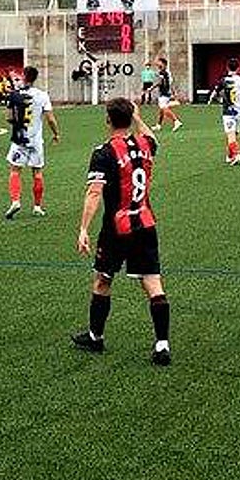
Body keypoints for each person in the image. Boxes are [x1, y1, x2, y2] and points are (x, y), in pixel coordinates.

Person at [71, 97, 171, 365]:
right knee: (153, 284)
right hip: (146, 224)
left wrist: (83, 228)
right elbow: (151, 136)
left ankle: (96, 336)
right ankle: (162, 344)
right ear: (131, 118)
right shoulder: (146, 144)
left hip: (117, 229)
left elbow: (94, 193)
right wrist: (138, 118)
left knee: (102, 280)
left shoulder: (104, 152)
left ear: (107, 120)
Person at [4, 66, 60, 219]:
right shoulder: (42, 95)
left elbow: (8, 117)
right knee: (37, 172)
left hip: (19, 138)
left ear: (23, 76)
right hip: (36, 140)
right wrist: (56, 134)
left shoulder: (14, 95)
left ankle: (15, 201)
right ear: (35, 78)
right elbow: (50, 119)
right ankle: (37, 206)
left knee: (15, 170)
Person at [152, 57, 183, 132]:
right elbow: (170, 83)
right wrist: (174, 93)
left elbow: (160, 82)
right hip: (166, 93)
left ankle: (176, 121)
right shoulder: (167, 72)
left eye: (159, 62)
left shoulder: (162, 72)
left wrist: (151, 88)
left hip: (164, 93)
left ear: (163, 64)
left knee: (164, 108)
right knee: (161, 110)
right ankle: (158, 125)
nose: (157, 64)